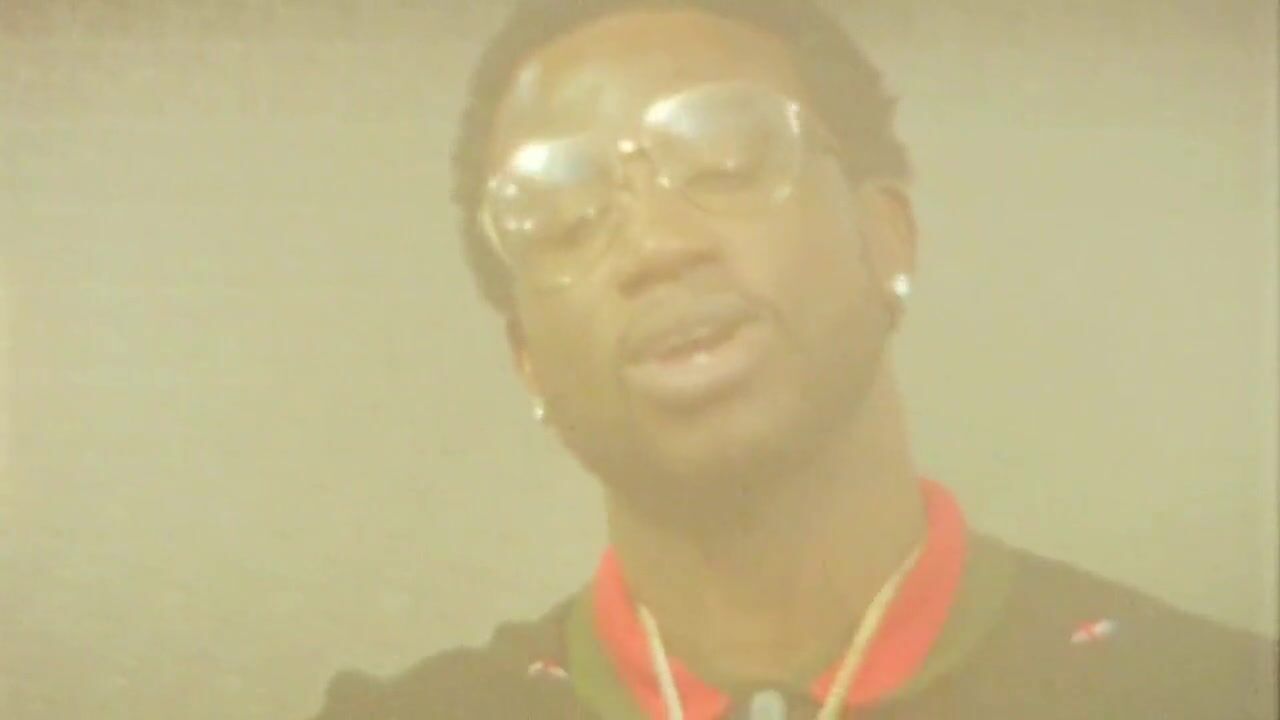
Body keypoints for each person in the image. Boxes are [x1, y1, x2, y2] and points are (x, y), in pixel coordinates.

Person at [310, 0, 1275, 717]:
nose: (656, 247)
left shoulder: (1206, 692)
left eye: (726, 163)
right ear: (527, 359)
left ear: (885, 237)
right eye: (565, 218)